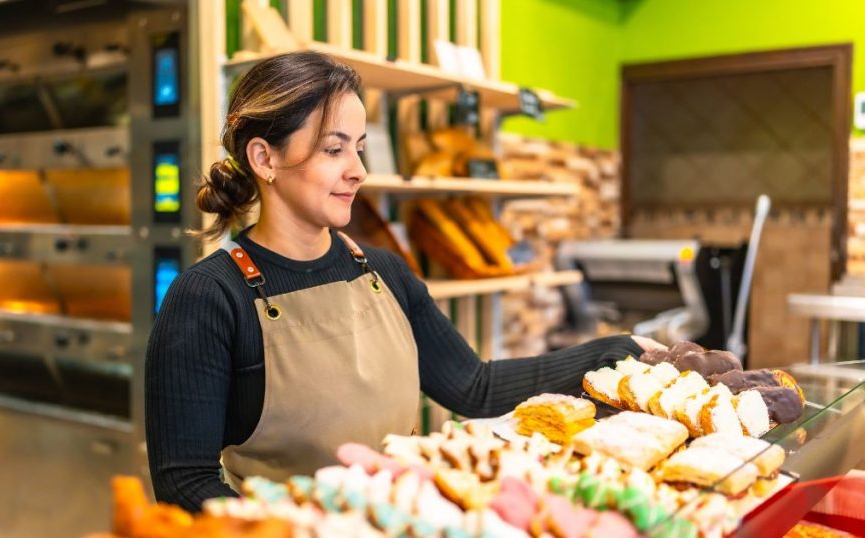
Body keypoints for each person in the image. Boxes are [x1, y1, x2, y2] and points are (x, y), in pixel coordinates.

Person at [145, 51, 664, 512]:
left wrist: (614, 351)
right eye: (334, 149)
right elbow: (184, 482)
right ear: (265, 158)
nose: (359, 171)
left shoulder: (384, 272)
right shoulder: (209, 297)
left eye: (361, 148)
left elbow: (474, 387)